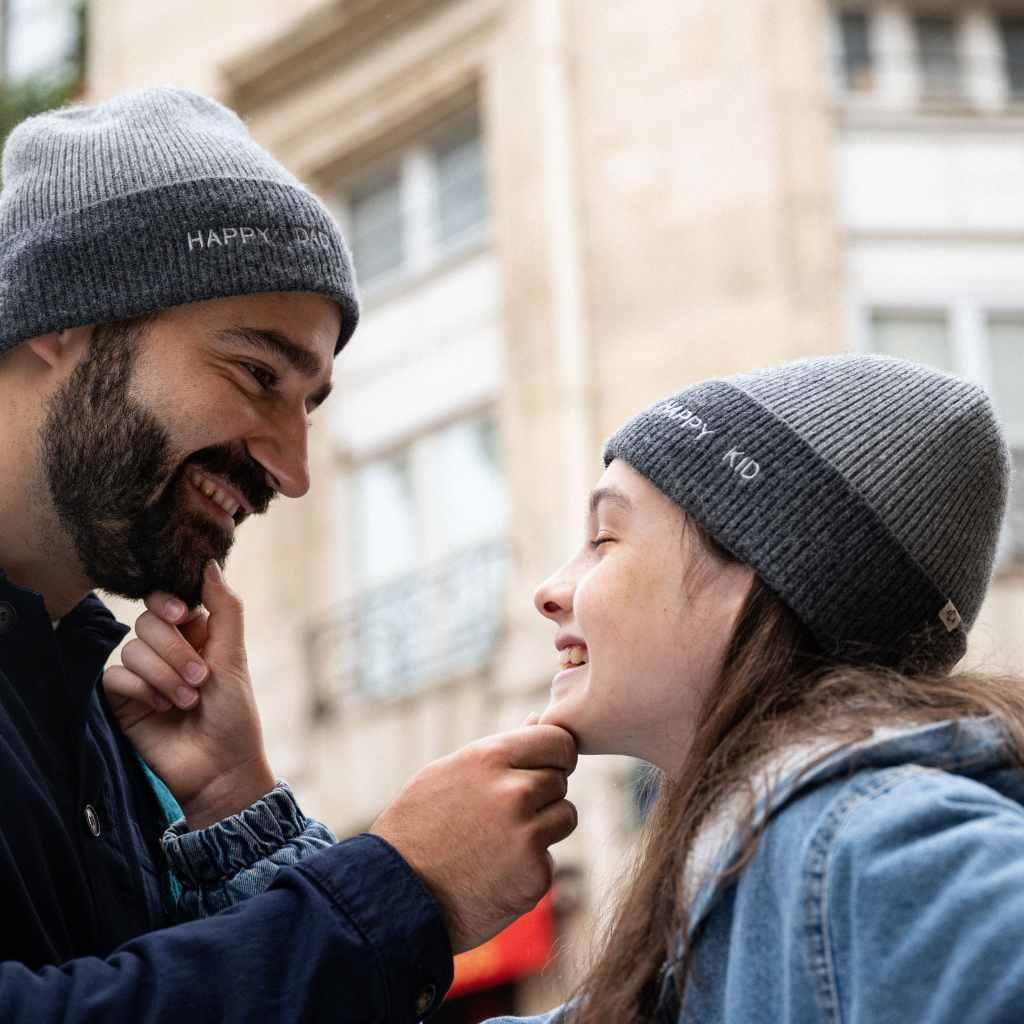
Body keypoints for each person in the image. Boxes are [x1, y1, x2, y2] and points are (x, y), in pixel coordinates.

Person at [0, 87, 577, 1021]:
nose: (294, 468)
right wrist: (403, 893)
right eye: (258, 373)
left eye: (309, 404)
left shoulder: (103, 704)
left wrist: (236, 812)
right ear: (60, 318)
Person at [473, 353, 1022, 1023]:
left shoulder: (866, 839)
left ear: (753, 577)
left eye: (604, 538)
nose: (550, 591)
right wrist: (405, 889)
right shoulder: (724, 904)